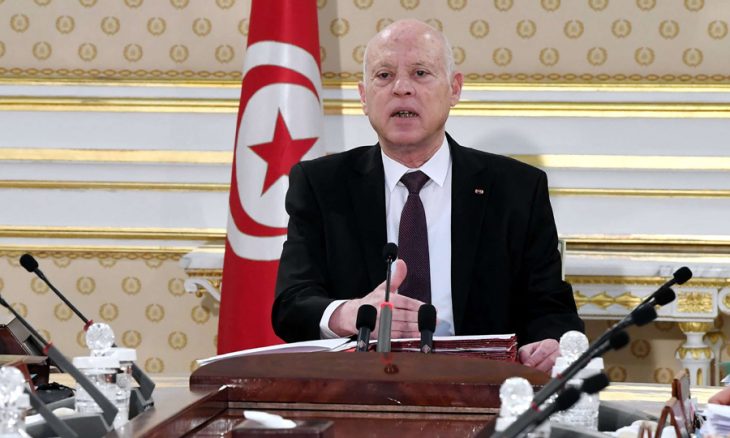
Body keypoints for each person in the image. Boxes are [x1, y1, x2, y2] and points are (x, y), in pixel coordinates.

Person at [272, 19, 583, 372]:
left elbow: (552, 310)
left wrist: (549, 344)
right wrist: (352, 313)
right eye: (384, 75)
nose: (402, 88)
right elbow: (291, 305)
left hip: (482, 387)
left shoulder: (516, 189)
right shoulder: (321, 185)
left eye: (420, 73)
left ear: (454, 89)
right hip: (361, 388)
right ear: (363, 96)